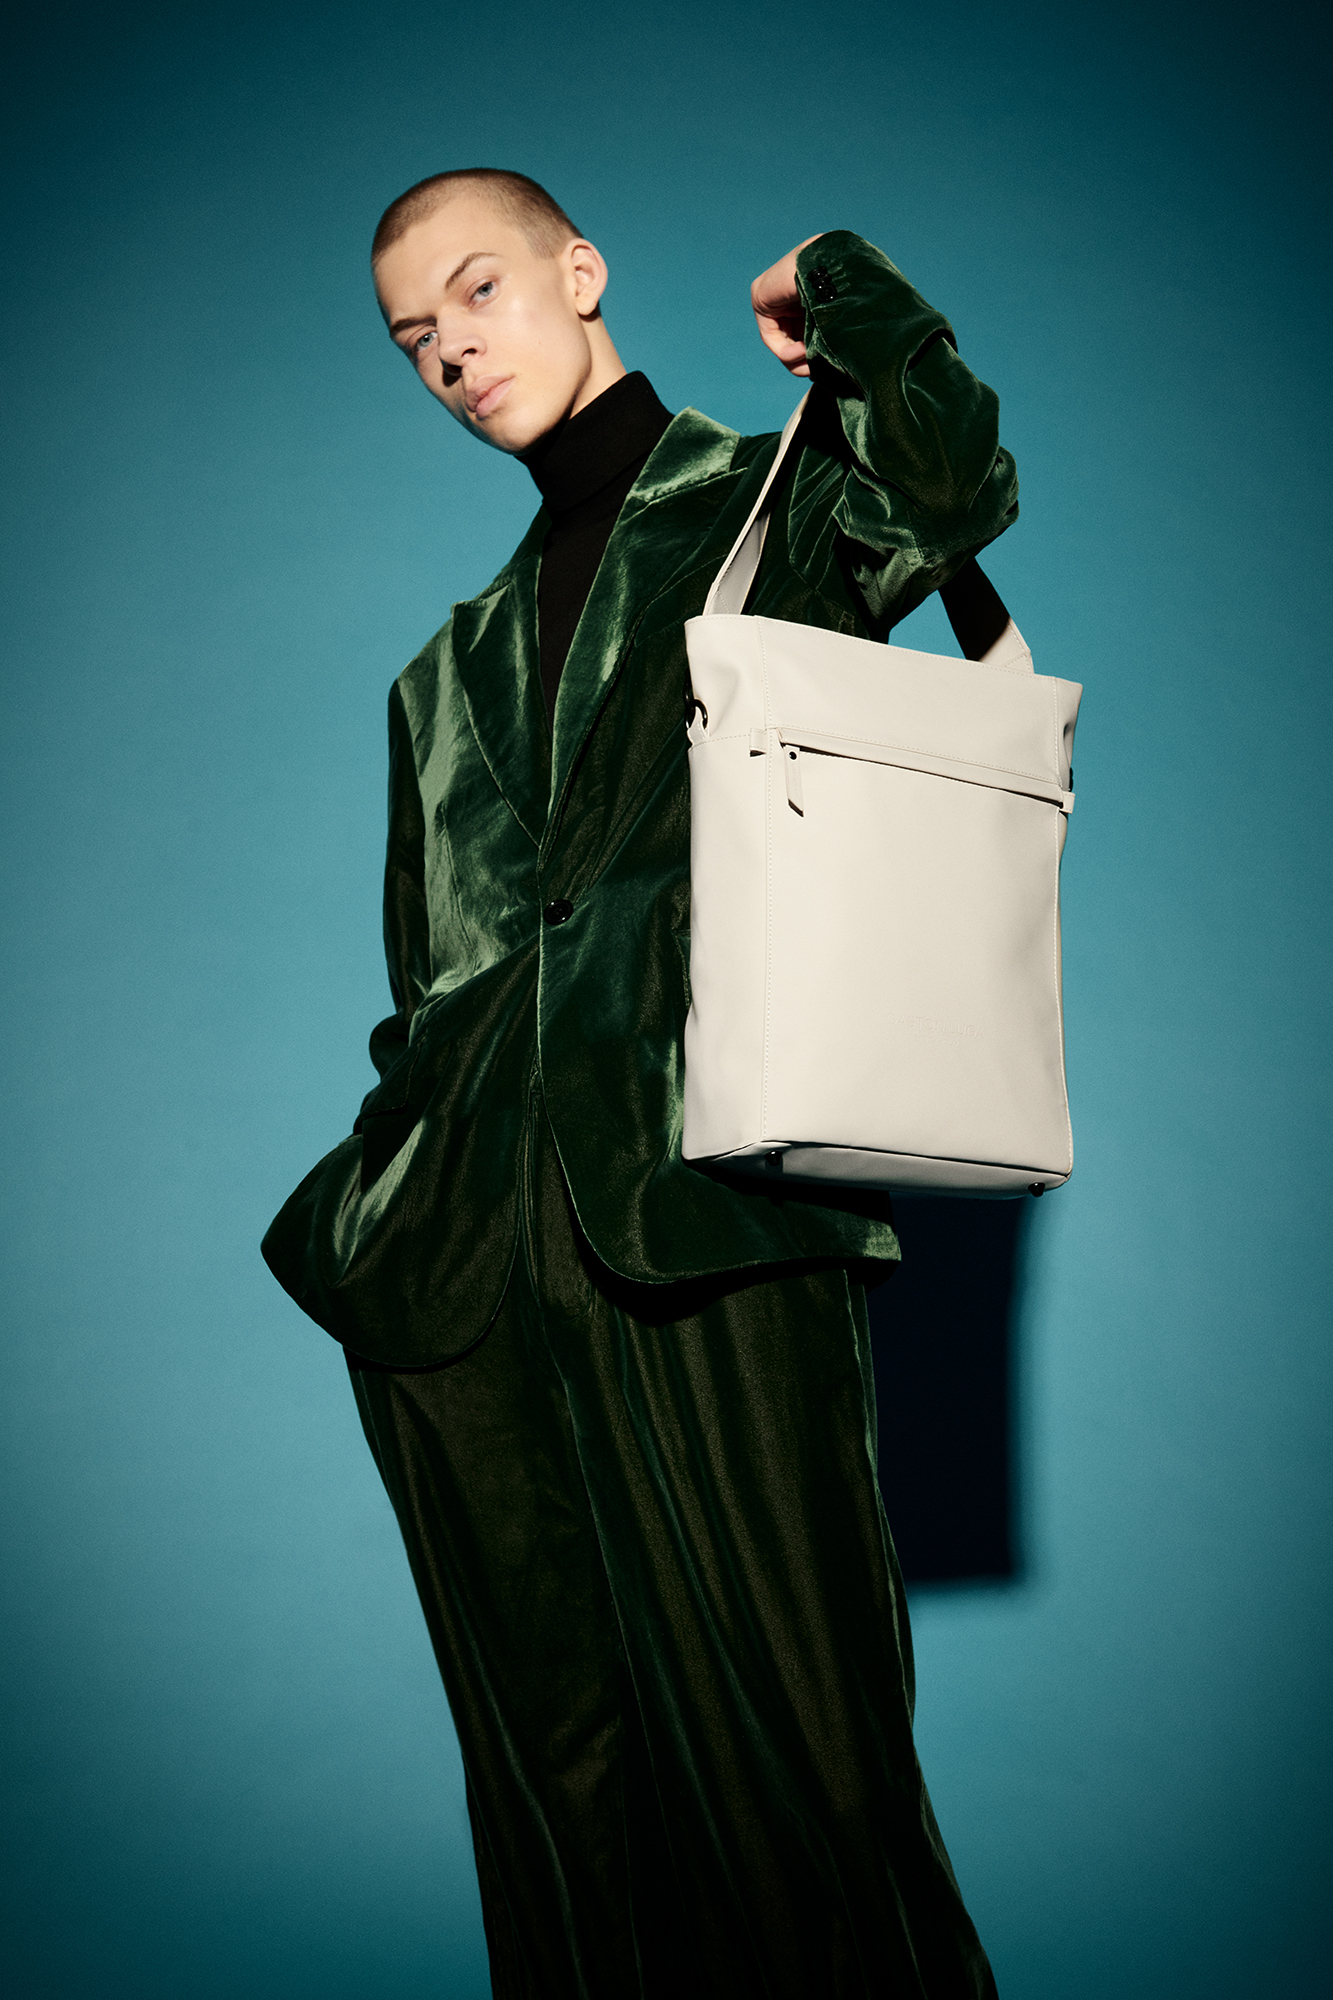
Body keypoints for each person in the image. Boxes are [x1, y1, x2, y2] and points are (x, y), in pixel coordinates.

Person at [263, 167, 1018, 1998]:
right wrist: (377, 1203)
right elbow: (428, 981)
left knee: (808, 1777)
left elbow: (953, 485)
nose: (451, 349)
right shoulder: (432, 682)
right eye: (412, 337)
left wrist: (843, 295)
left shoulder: (758, 500)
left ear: (577, 274)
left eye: (478, 296)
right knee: (562, 1816)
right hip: (468, 1294)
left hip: (706, 1213)